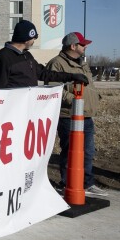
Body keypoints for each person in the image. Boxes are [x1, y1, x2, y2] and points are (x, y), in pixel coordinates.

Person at [46, 32, 106, 196]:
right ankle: (67, 183)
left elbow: (89, 86)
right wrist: (75, 100)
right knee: (70, 150)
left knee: (87, 151)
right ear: (73, 46)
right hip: (68, 116)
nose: (85, 47)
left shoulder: (82, 64)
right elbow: (53, 89)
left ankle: (87, 183)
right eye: (82, 44)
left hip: (86, 115)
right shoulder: (56, 64)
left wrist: (95, 97)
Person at [0, 20, 88, 89]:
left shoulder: (27, 55)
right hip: (13, 111)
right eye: (34, 38)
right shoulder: (3, 57)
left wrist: (71, 76)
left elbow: (44, 74)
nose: (34, 41)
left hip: (29, 109)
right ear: (27, 38)